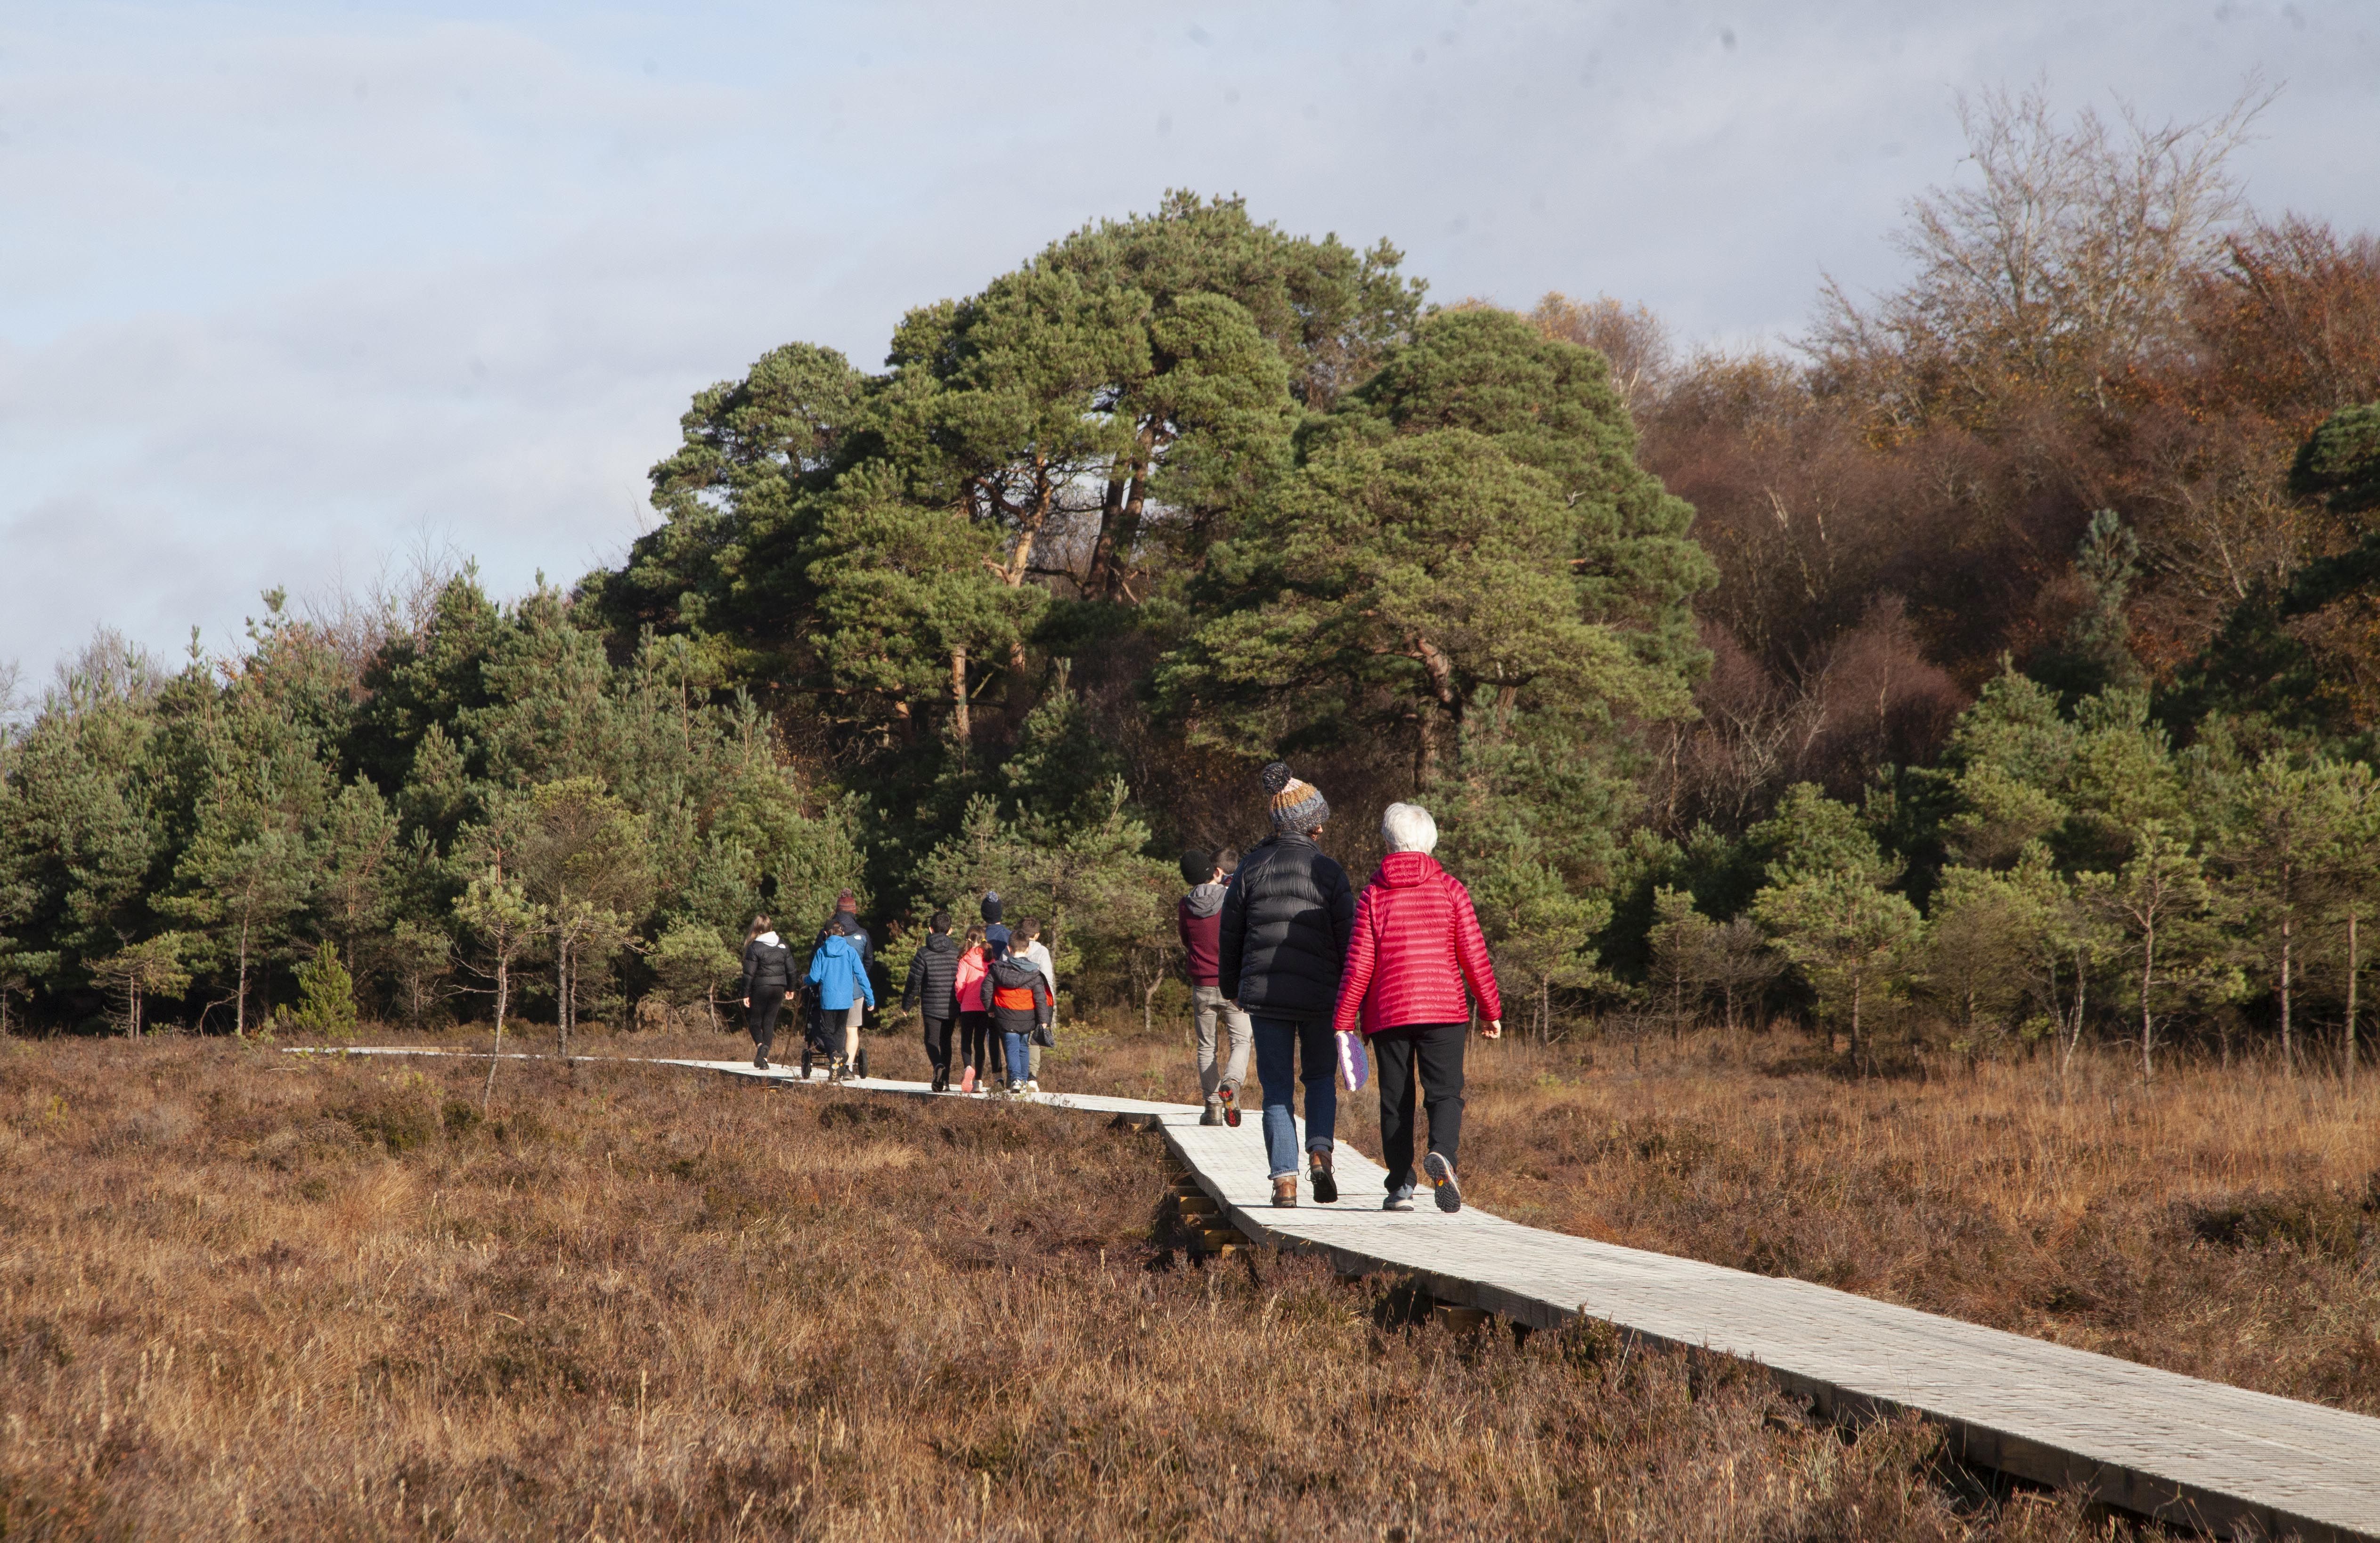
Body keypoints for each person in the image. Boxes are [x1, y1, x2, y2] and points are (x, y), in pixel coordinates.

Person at [1331, 802, 1502, 1213]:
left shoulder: (1373, 895)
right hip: (1444, 1008)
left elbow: (1359, 964)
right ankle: (1443, 1155)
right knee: (1444, 1093)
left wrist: (1343, 1020)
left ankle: (1400, 1187)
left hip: (1389, 1011)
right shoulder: (1450, 888)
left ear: (1388, 842)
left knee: (1396, 1099)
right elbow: (1473, 955)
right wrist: (1491, 1008)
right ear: (1430, 840)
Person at [1219, 763, 1355, 1208]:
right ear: (1311, 822)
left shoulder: (1251, 867)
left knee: (1276, 1089)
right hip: (1321, 996)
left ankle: (1285, 1183)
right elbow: (1349, 939)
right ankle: (1320, 1154)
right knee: (1319, 1078)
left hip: (1266, 996)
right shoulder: (1330, 872)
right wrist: (1350, 995)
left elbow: (1232, 933)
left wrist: (1231, 985)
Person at [1178, 847, 1250, 1126]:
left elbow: (1187, 940)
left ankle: (1213, 1110)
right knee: (1241, 1041)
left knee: (1207, 1047)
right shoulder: (1229, 897)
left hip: (1202, 985)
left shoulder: (1185, 905)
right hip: (1232, 983)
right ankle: (1232, 1082)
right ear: (1213, 872)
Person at [807, 913, 876, 1081]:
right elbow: (861, 976)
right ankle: (836, 1070)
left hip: (828, 999)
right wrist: (870, 998)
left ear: (826, 934)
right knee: (839, 1032)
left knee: (826, 1031)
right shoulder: (850, 951)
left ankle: (834, 1055)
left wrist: (804, 979)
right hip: (847, 999)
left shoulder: (822, 952)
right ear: (842, 933)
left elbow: (814, 978)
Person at [903, 910, 962, 1092]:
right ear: (950, 931)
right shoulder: (958, 953)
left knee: (931, 1041)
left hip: (931, 1005)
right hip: (952, 1005)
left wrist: (907, 1003)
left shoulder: (923, 953)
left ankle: (937, 1066)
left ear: (930, 929)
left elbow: (915, 980)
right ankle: (945, 1081)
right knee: (946, 1042)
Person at [984, 939, 1052, 1093]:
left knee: (1012, 1048)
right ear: (1027, 950)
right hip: (1027, 1018)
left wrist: (990, 1009)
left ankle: (1016, 1079)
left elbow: (986, 990)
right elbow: (1041, 999)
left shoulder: (997, 970)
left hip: (1005, 1017)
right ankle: (1021, 1079)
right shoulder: (1035, 973)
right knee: (1023, 1048)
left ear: (1008, 949)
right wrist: (1043, 1020)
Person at [737, 915, 796, 1071]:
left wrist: (745, 993)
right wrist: (791, 988)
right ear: (771, 926)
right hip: (779, 987)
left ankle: (761, 1046)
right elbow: (791, 970)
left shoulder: (755, 947)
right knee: (769, 1022)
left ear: (756, 928)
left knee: (755, 1022)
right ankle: (763, 1058)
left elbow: (749, 974)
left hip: (760, 987)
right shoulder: (782, 945)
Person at [1014, 916, 1056, 1084]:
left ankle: (1017, 1076)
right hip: (1039, 1000)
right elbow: (1048, 978)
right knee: (1034, 1039)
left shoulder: (1011, 948)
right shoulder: (1042, 951)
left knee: (1017, 1038)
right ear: (1037, 935)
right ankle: (1032, 1077)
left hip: (1017, 1001)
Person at [953, 924, 993, 1093]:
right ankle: (978, 1081)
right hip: (985, 1007)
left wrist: (961, 999)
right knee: (980, 1043)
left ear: (968, 940)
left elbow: (959, 983)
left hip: (968, 1006)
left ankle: (968, 1067)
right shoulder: (990, 959)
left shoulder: (964, 959)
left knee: (966, 1041)